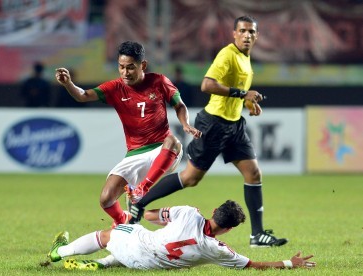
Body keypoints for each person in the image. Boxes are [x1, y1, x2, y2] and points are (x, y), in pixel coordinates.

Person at [128, 15, 287, 248]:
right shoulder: (228, 54)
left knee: (253, 174)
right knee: (190, 178)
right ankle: (140, 202)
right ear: (234, 34)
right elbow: (207, 84)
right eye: (242, 31)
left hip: (234, 125)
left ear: (257, 36)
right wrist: (243, 95)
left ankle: (257, 235)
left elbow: (234, 90)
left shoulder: (245, 57)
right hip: (213, 124)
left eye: (251, 32)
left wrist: (248, 102)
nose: (247, 35)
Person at [55, 41, 201, 227]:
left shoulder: (159, 81)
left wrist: (185, 124)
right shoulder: (115, 87)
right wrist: (68, 83)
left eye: (130, 67)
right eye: (121, 67)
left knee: (173, 140)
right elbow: (83, 95)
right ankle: (124, 223)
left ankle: (141, 190)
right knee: (106, 198)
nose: (125, 72)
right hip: (135, 153)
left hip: (162, 150)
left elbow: (179, 105)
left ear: (143, 65)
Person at [45, 200, 316, 270]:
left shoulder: (188, 212)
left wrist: (143, 210)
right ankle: (104, 264)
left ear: (214, 211)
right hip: (149, 266)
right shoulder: (218, 250)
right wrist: (291, 263)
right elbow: (254, 265)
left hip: (138, 247)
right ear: (230, 228)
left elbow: (150, 215)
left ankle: (59, 252)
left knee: (113, 232)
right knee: (132, 241)